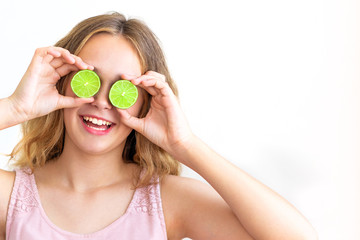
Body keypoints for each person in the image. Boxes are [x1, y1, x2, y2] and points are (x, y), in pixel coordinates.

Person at [0, 12, 317, 240]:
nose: (101, 101)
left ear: (145, 102)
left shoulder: (167, 201)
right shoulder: (11, 196)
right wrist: (16, 107)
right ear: (63, 82)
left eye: (124, 89)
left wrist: (186, 145)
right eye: (89, 80)